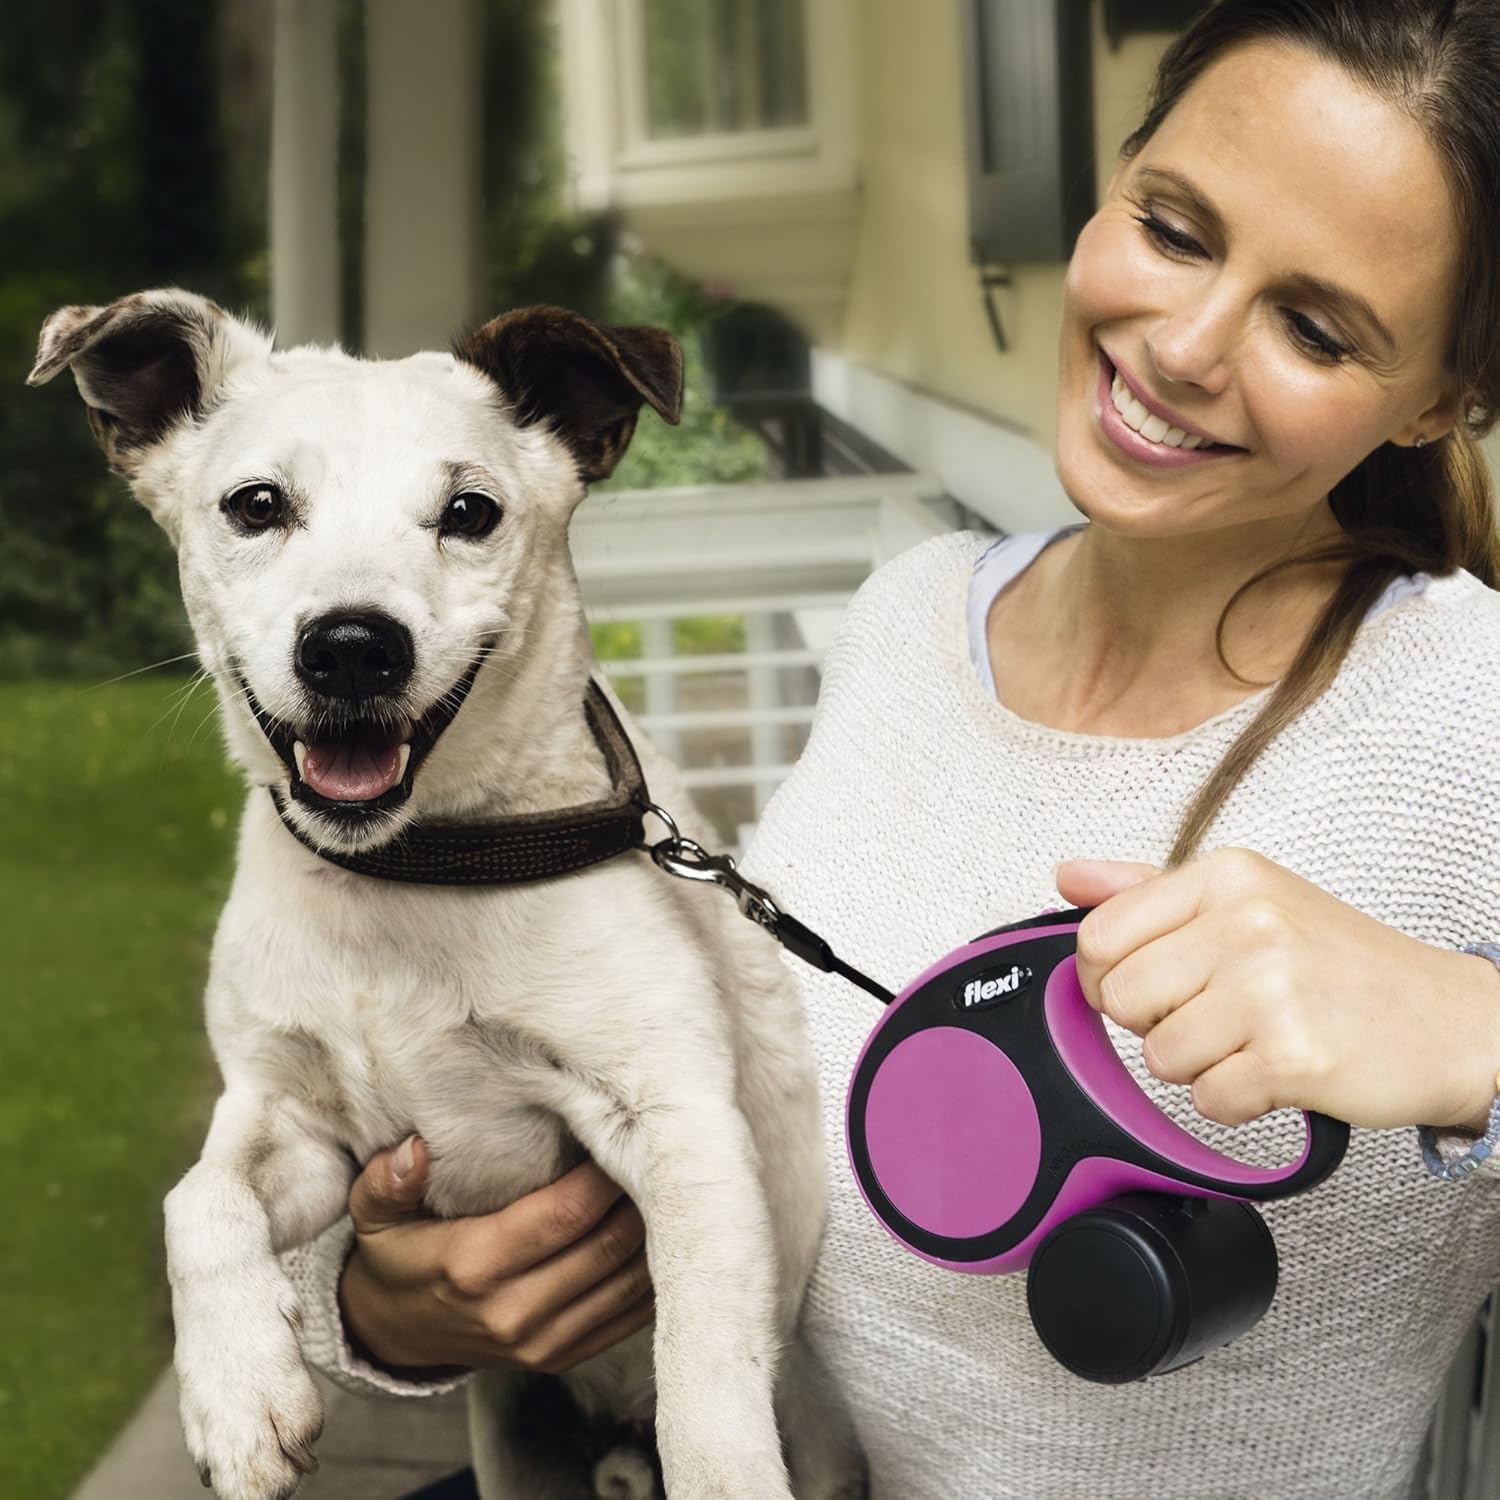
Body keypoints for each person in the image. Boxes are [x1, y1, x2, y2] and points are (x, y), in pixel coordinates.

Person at [282, 2, 1500, 1495]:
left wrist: (1474, 1038)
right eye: (1174, 229)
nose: (1181, 347)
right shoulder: (915, 620)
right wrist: (393, 1309)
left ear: (1441, 396)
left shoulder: (1466, 710)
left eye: (1315, 328)